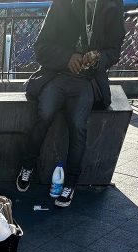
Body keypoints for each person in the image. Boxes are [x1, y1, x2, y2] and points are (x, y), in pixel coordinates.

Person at [15, 0, 125, 207]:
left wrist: (99, 57)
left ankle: (71, 183)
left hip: (87, 79)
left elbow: (114, 49)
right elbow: (41, 46)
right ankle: (27, 165)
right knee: (45, 113)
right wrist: (67, 58)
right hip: (57, 74)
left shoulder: (113, 4)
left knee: (78, 125)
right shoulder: (63, 3)